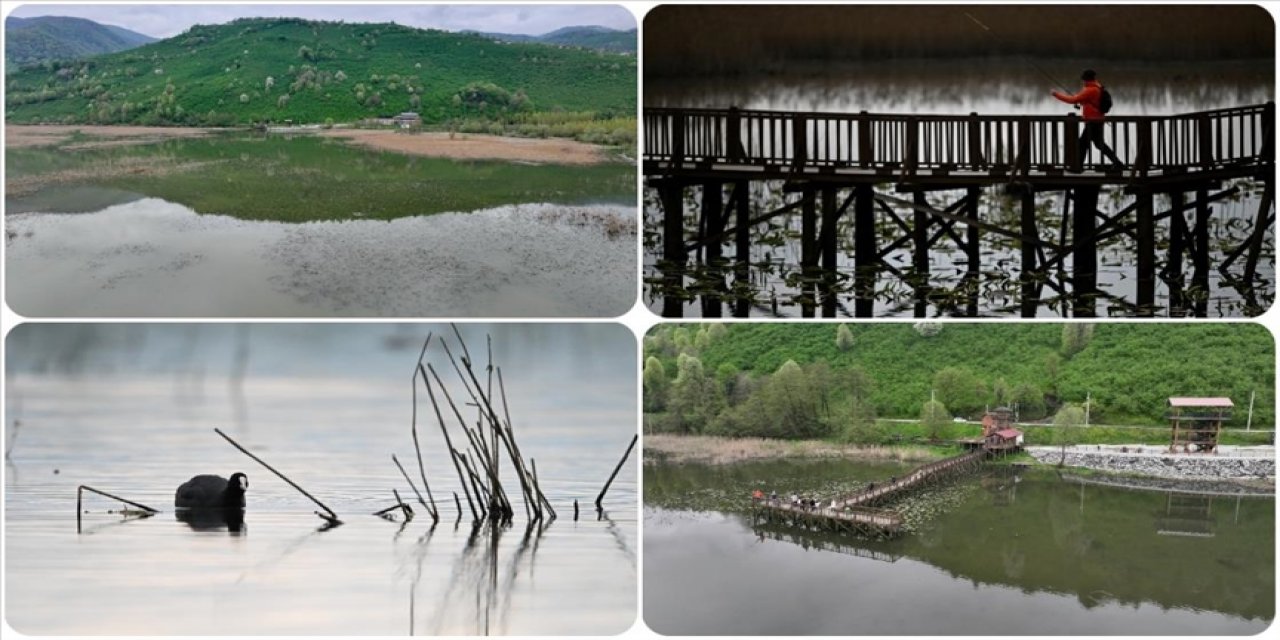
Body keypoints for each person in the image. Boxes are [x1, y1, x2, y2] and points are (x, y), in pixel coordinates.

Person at [1051, 69, 1124, 170]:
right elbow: (1090, 102)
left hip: (1093, 121)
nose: (1083, 81)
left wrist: (1056, 94)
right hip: (1097, 120)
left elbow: (1072, 100)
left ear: (1086, 79)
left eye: (1084, 79)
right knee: (1098, 144)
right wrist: (1082, 103)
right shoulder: (1097, 87)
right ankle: (1118, 163)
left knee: (1083, 144)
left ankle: (1078, 167)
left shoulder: (1090, 90)